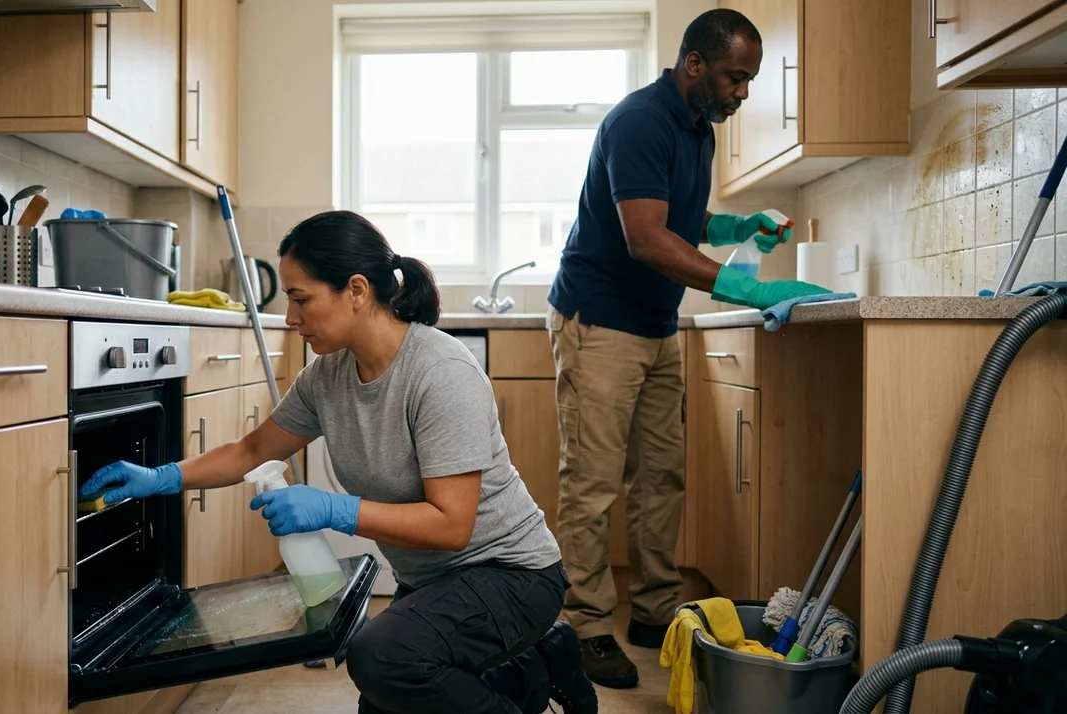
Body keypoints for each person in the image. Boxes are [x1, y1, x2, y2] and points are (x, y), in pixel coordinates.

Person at [80, 210, 599, 714]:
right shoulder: (327, 376)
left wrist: (334, 509)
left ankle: (527, 664)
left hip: (510, 573)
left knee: (383, 660)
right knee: (387, 696)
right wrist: (162, 477)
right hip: (435, 580)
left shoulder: (440, 373)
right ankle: (538, 664)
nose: (290, 317)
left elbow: (453, 524)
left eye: (302, 299)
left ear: (356, 290)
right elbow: (252, 451)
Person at [545, 8, 833, 689]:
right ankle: (584, 628)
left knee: (661, 476)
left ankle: (652, 611)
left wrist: (738, 222)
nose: (743, 94)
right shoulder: (640, 120)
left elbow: (682, 215)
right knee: (591, 483)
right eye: (736, 77)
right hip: (601, 320)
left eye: (751, 81)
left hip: (654, 323)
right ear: (695, 64)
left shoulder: (698, 128)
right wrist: (743, 288)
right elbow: (646, 236)